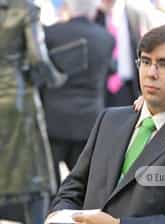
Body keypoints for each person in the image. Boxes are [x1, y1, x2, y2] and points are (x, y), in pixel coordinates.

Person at [45, 24, 165, 224]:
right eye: (146, 61)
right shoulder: (110, 120)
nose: (151, 73)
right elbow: (75, 183)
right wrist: (62, 214)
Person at [0, 0, 66, 224]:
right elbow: (37, 58)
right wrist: (56, 77)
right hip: (19, 99)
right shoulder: (26, 9)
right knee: (36, 175)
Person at [41, 0, 115, 186]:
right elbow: (110, 70)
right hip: (88, 123)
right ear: (92, 11)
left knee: (50, 183)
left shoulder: (51, 34)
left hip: (54, 120)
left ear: (68, 8)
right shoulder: (106, 38)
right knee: (85, 184)